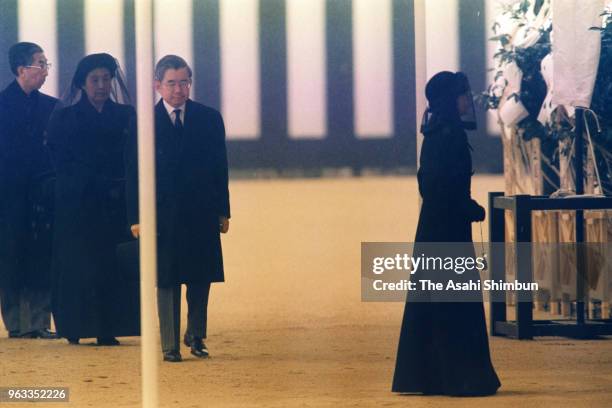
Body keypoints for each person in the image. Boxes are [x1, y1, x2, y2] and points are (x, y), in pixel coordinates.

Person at [392, 71, 501, 396]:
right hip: (448, 231)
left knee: (437, 303)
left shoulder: (436, 132)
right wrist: (469, 208)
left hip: (435, 229)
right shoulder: (449, 134)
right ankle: (459, 377)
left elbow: (429, 184)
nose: (468, 100)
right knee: (453, 303)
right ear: (448, 100)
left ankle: (432, 376)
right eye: (462, 94)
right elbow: (438, 186)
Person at [125, 55, 230, 362]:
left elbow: (219, 168)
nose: (178, 89)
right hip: (162, 214)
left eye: (184, 82)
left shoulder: (209, 118)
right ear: (157, 85)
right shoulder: (143, 121)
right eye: (171, 83)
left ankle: (196, 336)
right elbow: (132, 171)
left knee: (201, 277)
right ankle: (170, 345)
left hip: (200, 210)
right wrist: (135, 217)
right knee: (167, 278)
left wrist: (223, 210)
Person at [47, 53, 138, 345]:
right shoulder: (64, 117)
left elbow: (133, 159)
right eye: (94, 79)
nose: (101, 85)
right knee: (80, 266)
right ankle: (75, 328)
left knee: (112, 266)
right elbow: (60, 161)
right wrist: (89, 182)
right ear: (82, 84)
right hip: (78, 204)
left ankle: (108, 329)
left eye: (106, 78)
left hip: (116, 204)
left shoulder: (126, 115)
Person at [0, 42, 58, 339]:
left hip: (42, 194)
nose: (46, 70)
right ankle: (16, 323)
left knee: (40, 257)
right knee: (10, 255)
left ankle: (39, 322)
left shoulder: (52, 107)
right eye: (41, 64)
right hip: (7, 196)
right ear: (22, 70)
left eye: (47, 64)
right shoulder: (1, 105)